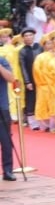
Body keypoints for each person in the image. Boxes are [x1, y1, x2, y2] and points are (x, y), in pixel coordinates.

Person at [18, 28, 42, 130]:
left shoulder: (40, 48)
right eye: (26, 36)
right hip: (30, 78)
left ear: (34, 36)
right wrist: (27, 81)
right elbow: (23, 67)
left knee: (41, 98)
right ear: (23, 38)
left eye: (30, 35)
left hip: (41, 77)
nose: (28, 37)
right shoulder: (23, 51)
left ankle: (42, 121)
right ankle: (33, 122)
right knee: (31, 99)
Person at [0, 51, 14, 180]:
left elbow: (11, 78)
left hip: (2, 106)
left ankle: (8, 170)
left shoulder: (2, 60)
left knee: (6, 140)